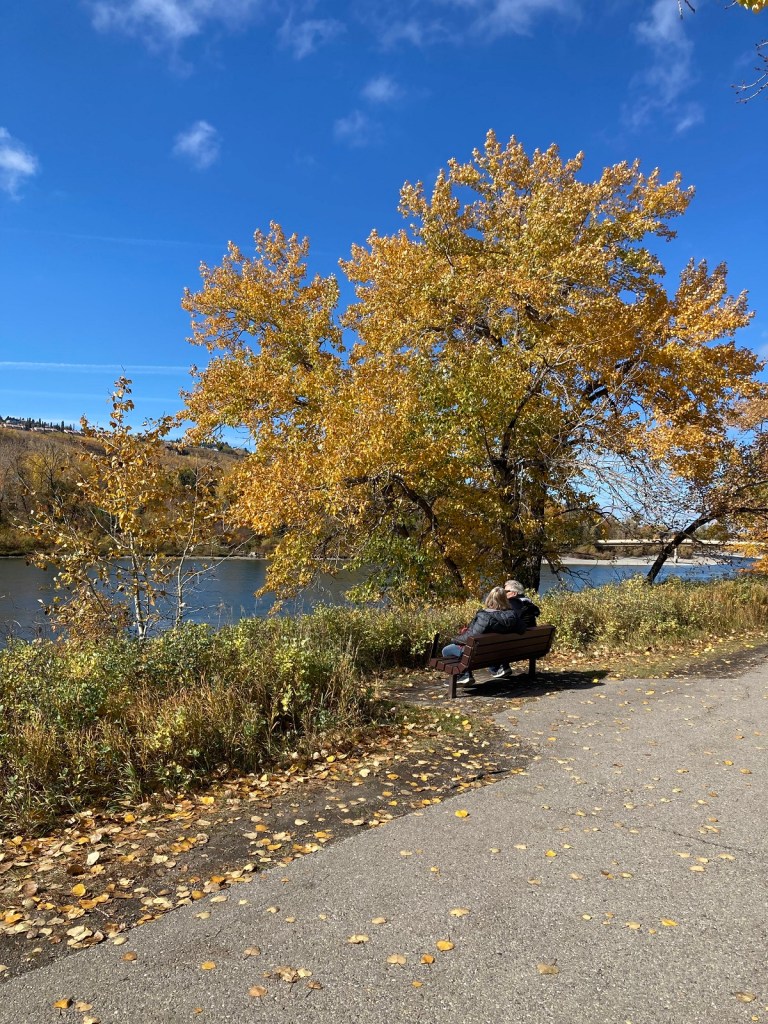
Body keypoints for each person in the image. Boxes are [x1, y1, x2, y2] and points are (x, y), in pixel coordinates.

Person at [441, 586, 526, 687]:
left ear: (489, 599)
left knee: (446, 650)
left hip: (478, 653)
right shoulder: (512, 615)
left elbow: (471, 637)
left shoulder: (484, 616)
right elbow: (522, 629)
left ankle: (463, 675)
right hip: (498, 652)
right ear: (505, 599)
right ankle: (498, 668)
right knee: (491, 646)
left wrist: (454, 639)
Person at [487, 580, 542, 679]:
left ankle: (496, 668)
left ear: (514, 593)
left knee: (493, 638)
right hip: (529, 645)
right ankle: (502, 666)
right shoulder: (529, 604)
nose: (503, 593)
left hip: (515, 645)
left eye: (506, 591)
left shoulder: (513, 604)